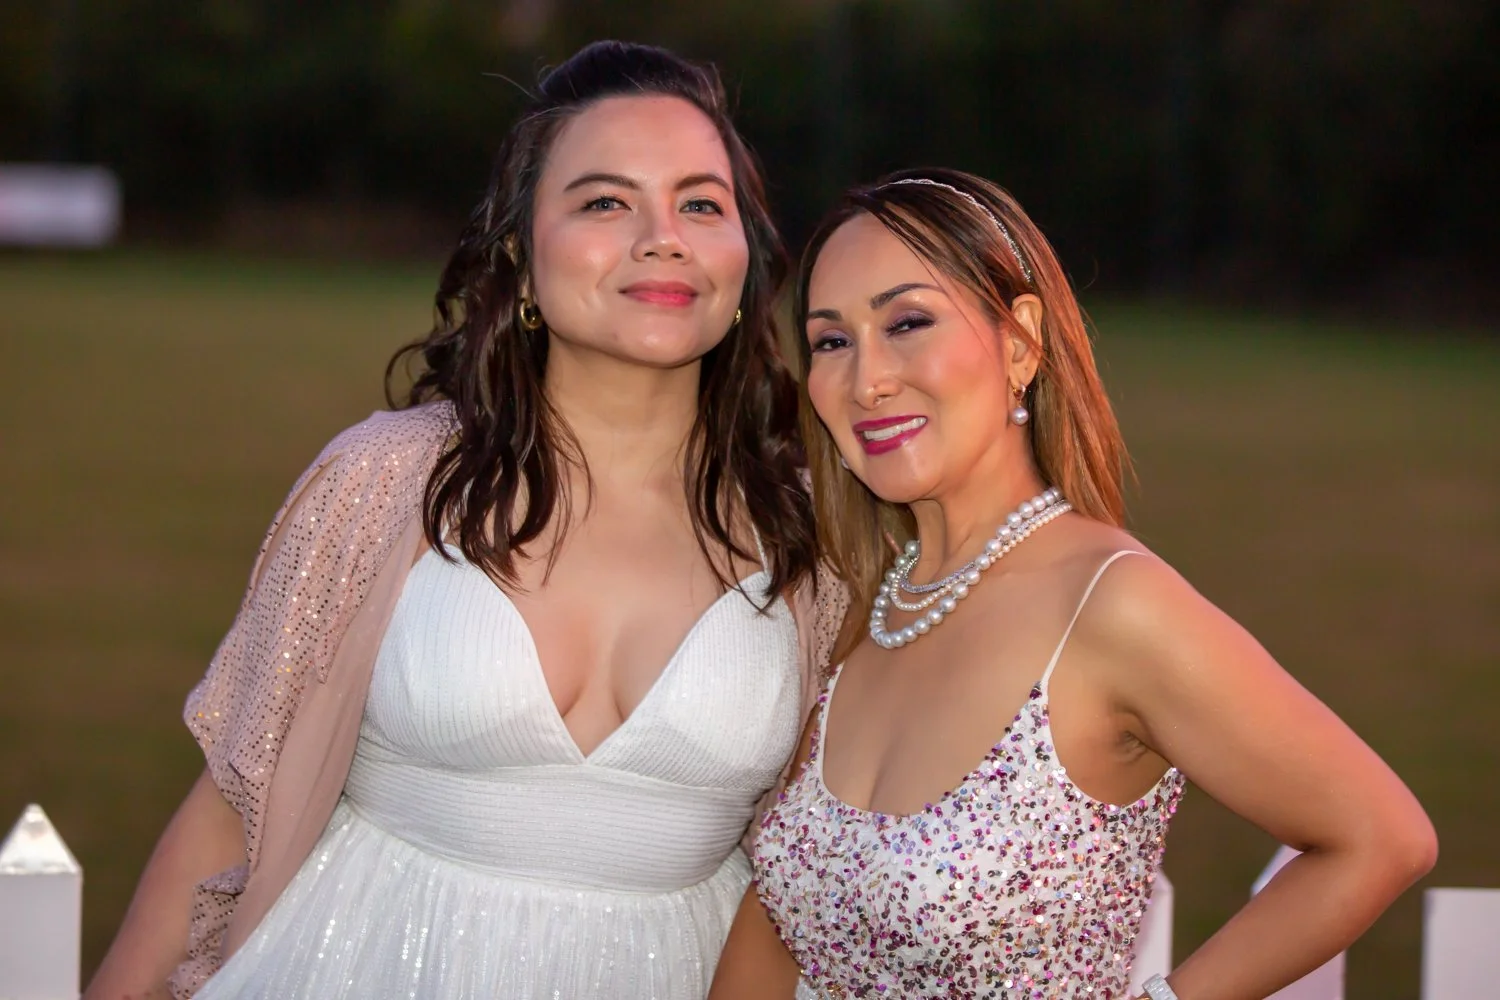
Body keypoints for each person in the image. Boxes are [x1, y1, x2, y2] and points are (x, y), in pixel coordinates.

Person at [84, 41, 845, 1000]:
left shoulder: (813, 534)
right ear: (520, 256)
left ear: (744, 258)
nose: (664, 237)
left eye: (701, 204)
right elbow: (230, 805)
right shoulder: (385, 481)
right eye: (605, 203)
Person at [708, 168, 1438, 1000]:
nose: (866, 379)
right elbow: (775, 921)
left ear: (1020, 342)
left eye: (907, 322)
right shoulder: (864, 609)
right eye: (831, 341)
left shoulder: (1111, 606)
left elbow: (1381, 836)